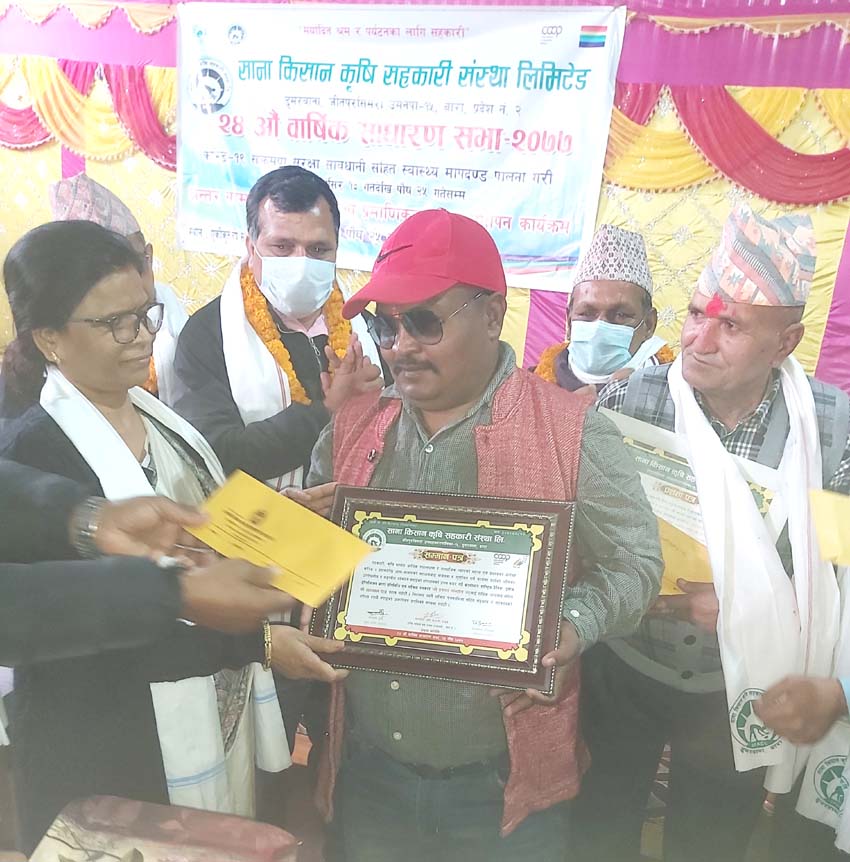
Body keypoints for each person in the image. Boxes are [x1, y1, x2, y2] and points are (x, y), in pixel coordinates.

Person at [302, 208, 663, 861]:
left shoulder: (573, 431)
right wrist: (293, 536)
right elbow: (317, 566)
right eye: (385, 324)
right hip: (369, 772)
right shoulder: (354, 427)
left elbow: (636, 563)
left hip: (504, 793)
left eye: (424, 322)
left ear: (493, 315)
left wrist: (573, 625)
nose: (400, 346)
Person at [0, 220, 347, 851]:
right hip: (112, 742)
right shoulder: (33, 455)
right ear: (49, 337)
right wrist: (259, 644)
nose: (142, 338)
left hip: (210, 707)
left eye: (145, 314)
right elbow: (86, 625)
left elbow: (194, 527)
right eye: (114, 324)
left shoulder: (159, 419)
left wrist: (274, 518)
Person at [579, 204, 850, 862]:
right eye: (697, 313)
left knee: (710, 841)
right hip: (624, 666)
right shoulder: (629, 402)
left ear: (785, 342)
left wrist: (748, 607)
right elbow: (585, 536)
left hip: (742, 685)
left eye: (730, 326)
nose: (699, 341)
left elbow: (839, 570)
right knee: (597, 829)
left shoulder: (830, 431)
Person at [174, 165, 385, 491]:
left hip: (353, 511)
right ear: (251, 247)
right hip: (255, 517)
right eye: (282, 247)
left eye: (318, 249)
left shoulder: (368, 330)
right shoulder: (208, 334)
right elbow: (214, 452)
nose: (301, 262)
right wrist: (330, 411)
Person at [48, 173, 189, 406]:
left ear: (149, 256)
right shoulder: (72, 323)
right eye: (103, 271)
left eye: (135, 263)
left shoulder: (166, 300)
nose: (126, 280)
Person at [535, 223, 673, 394]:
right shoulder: (530, 390)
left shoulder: (676, 396)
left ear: (649, 325)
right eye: (586, 314)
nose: (598, 328)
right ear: (569, 323)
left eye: (620, 315)